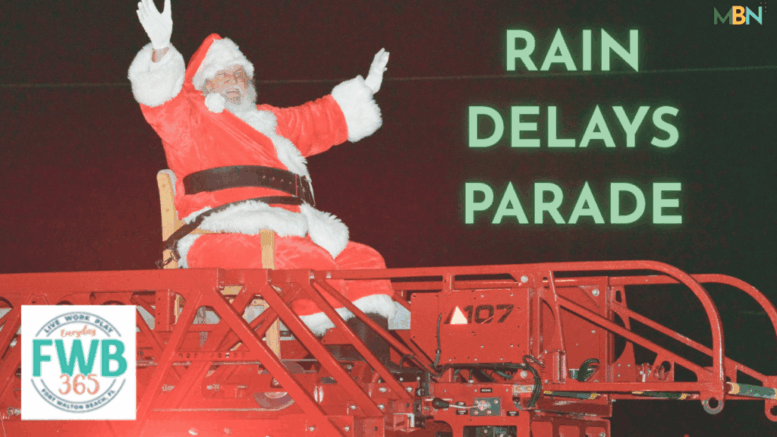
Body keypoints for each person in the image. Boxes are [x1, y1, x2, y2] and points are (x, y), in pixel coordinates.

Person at [128, 0, 398, 337]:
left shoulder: (270, 121)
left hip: (289, 232)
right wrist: (161, 51)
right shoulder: (191, 117)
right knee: (309, 263)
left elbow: (316, 119)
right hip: (217, 235)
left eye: (239, 74)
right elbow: (162, 104)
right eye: (222, 74)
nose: (233, 81)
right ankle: (322, 350)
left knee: (365, 263)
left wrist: (365, 89)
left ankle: (367, 363)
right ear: (204, 83)